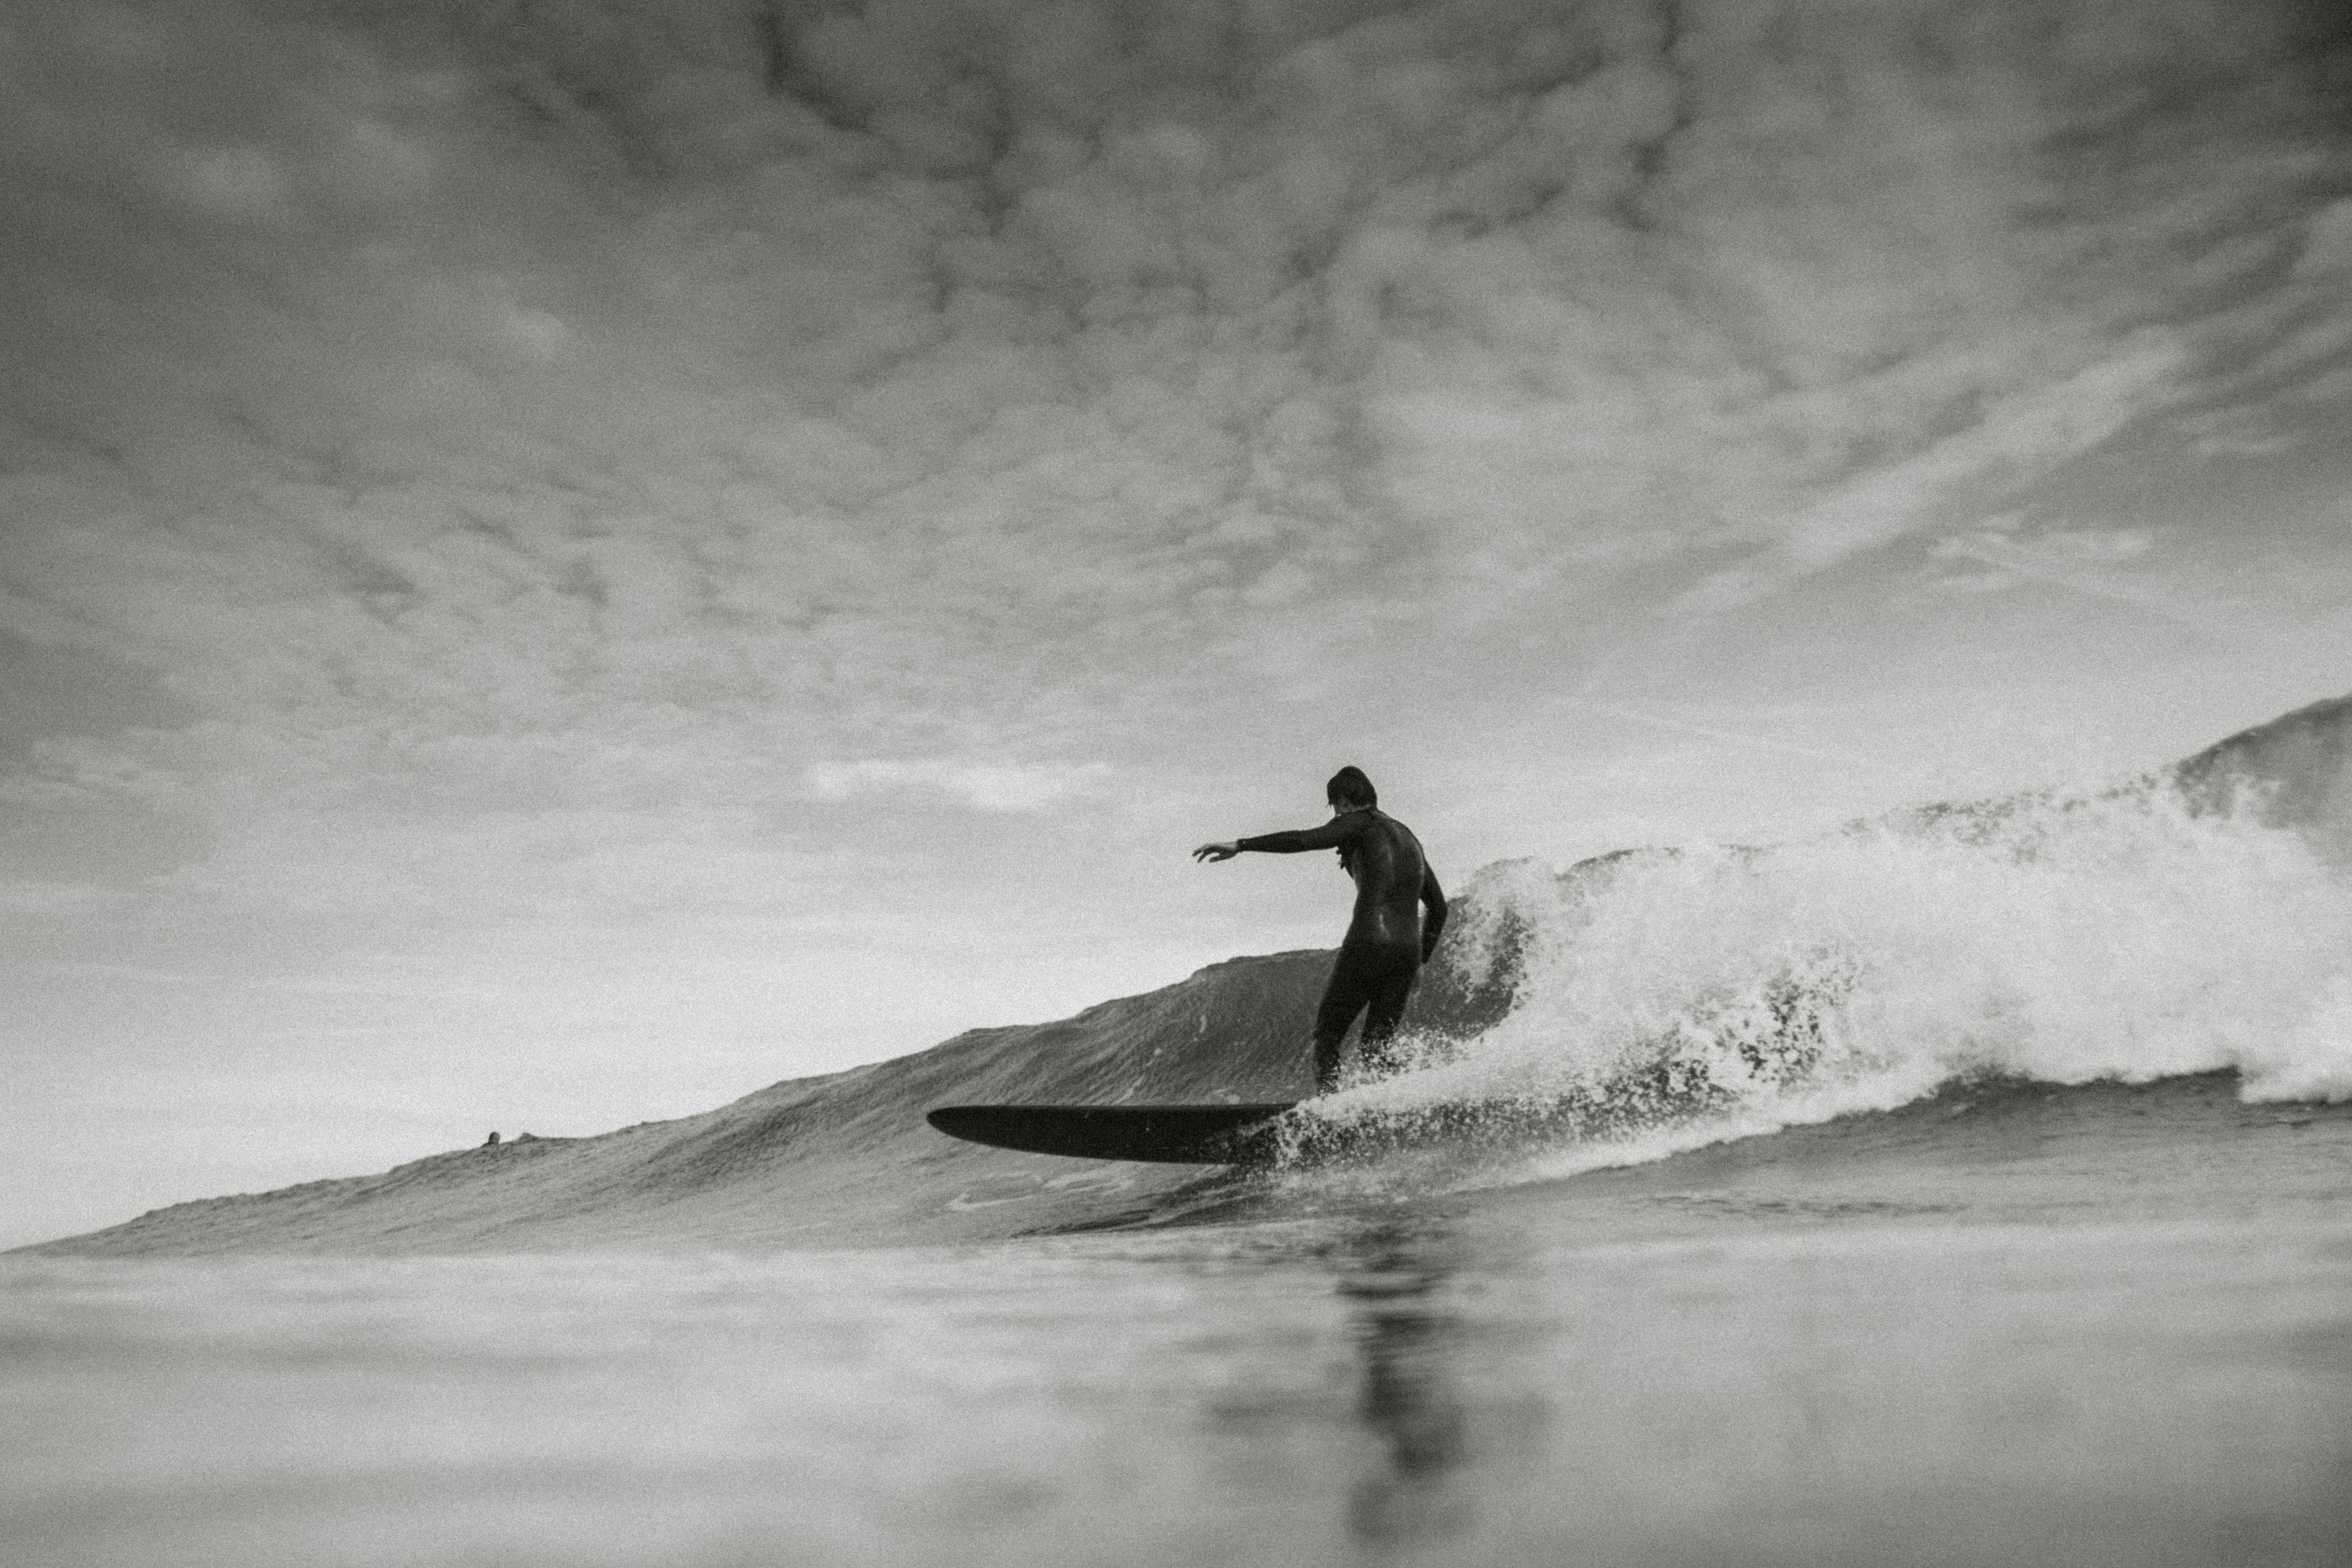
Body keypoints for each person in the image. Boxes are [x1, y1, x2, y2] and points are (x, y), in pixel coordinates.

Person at [1195, 766, 1447, 1093]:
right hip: (1407, 951)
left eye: (1335, 807)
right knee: (1377, 1049)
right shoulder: (1408, 839)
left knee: (1328, 1037)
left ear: (1343, 802)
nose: (1336, 814)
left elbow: (1303, 840)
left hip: (1370, 940)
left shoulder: (1356, 822)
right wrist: (1421, 962)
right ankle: (1403, 1104)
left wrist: (1241, 845)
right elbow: (1438, 908)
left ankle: (1328, 1111)